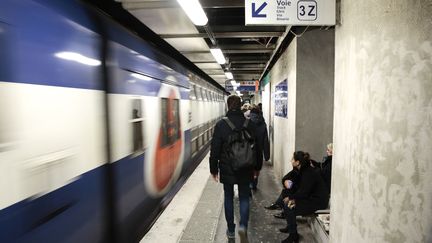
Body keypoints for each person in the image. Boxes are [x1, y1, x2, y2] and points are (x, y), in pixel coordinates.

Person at [209, 95, 259, 242]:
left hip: (227, 167)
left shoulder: (221, 125)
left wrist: (213, 169)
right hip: (246, 167)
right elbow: (257, 147)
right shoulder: (249, 123)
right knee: (244, 196)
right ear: (241, 105)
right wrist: (257, 167)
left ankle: (231, 230)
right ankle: (243, 226)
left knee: (228, 197)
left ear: (228, 106)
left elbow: (215, 149)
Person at [280, 151, 329, 243]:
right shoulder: (300, 169)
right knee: (286, 196)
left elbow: (304, 192)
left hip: (317, 201)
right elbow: (289, 179)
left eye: (292, 159)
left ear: (298, 162)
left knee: (289, 206)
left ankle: (293, 236)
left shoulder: (308, 173)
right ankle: (290, 227)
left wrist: (291, 198)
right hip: (310, 197)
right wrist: (285, 182)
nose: (291, 161)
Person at [249, 107, 270, 191]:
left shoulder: (247, 123)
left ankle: (249, 185)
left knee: (249, 169)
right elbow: (265, 141)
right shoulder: (263, 124)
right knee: (257, 169)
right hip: (259, 152)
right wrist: (267, 155)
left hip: (248, 152)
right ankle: (254, 184)